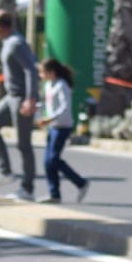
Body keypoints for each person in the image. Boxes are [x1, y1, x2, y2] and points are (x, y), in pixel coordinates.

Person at [0, 9, 40, 200]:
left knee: (23, 143)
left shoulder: (17, 43)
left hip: (20, 98)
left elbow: (31, 71)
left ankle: (27, 188)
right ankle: (5, 171)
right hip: (10, 97)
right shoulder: (7, 43)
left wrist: (31, 98)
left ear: (0, 26)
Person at [40, 58, 89, 203]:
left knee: (53, 159)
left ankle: (80, 182)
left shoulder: (62, 85)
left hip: (63, 126)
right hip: (53, 126)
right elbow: (47, 104)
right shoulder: (49, 85)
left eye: (43, 72)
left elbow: (64, 107)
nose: (41, 75)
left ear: (52, 72)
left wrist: (50, 118)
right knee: (47, 161)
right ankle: (54, 194)